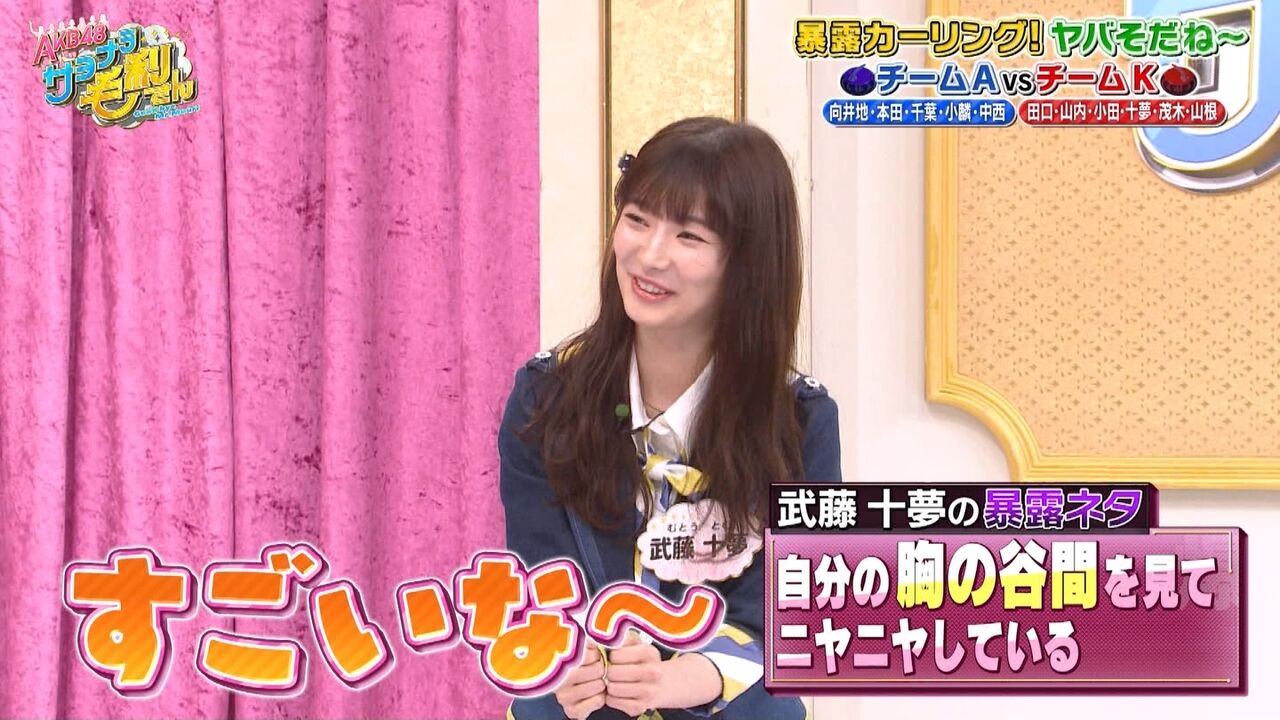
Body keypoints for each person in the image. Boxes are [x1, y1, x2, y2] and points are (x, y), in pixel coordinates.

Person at [499, 116, 841, 719]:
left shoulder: (799, 422)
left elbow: (794, 611)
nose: (650, 255)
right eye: (637, 219)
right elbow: (542, 578)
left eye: (688, 235)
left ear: (747, 262)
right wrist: (563, 660)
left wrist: (685, 677)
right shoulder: (546, 398)